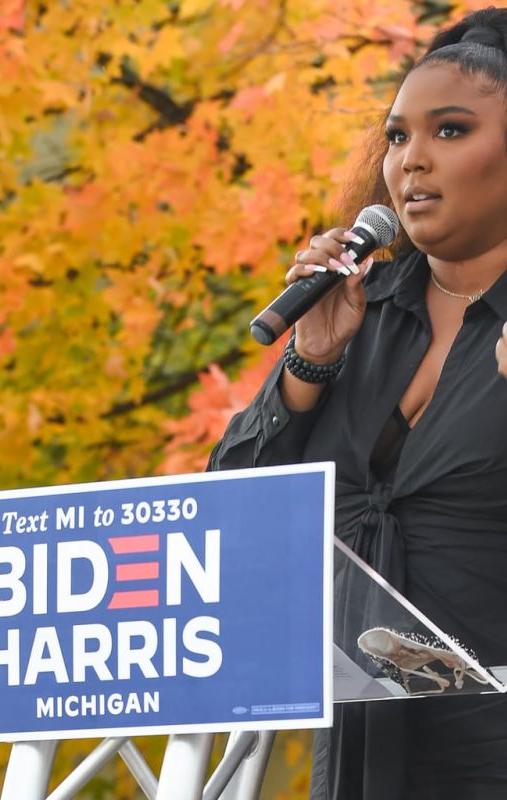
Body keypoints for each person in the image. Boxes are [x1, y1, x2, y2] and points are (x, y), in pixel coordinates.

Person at [208, 6, 507, 799]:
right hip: (362, 748)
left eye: (448, 131)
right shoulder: (358, 311)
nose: (409, 161)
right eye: (397, 136)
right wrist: (311, 360)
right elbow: (228, 519)